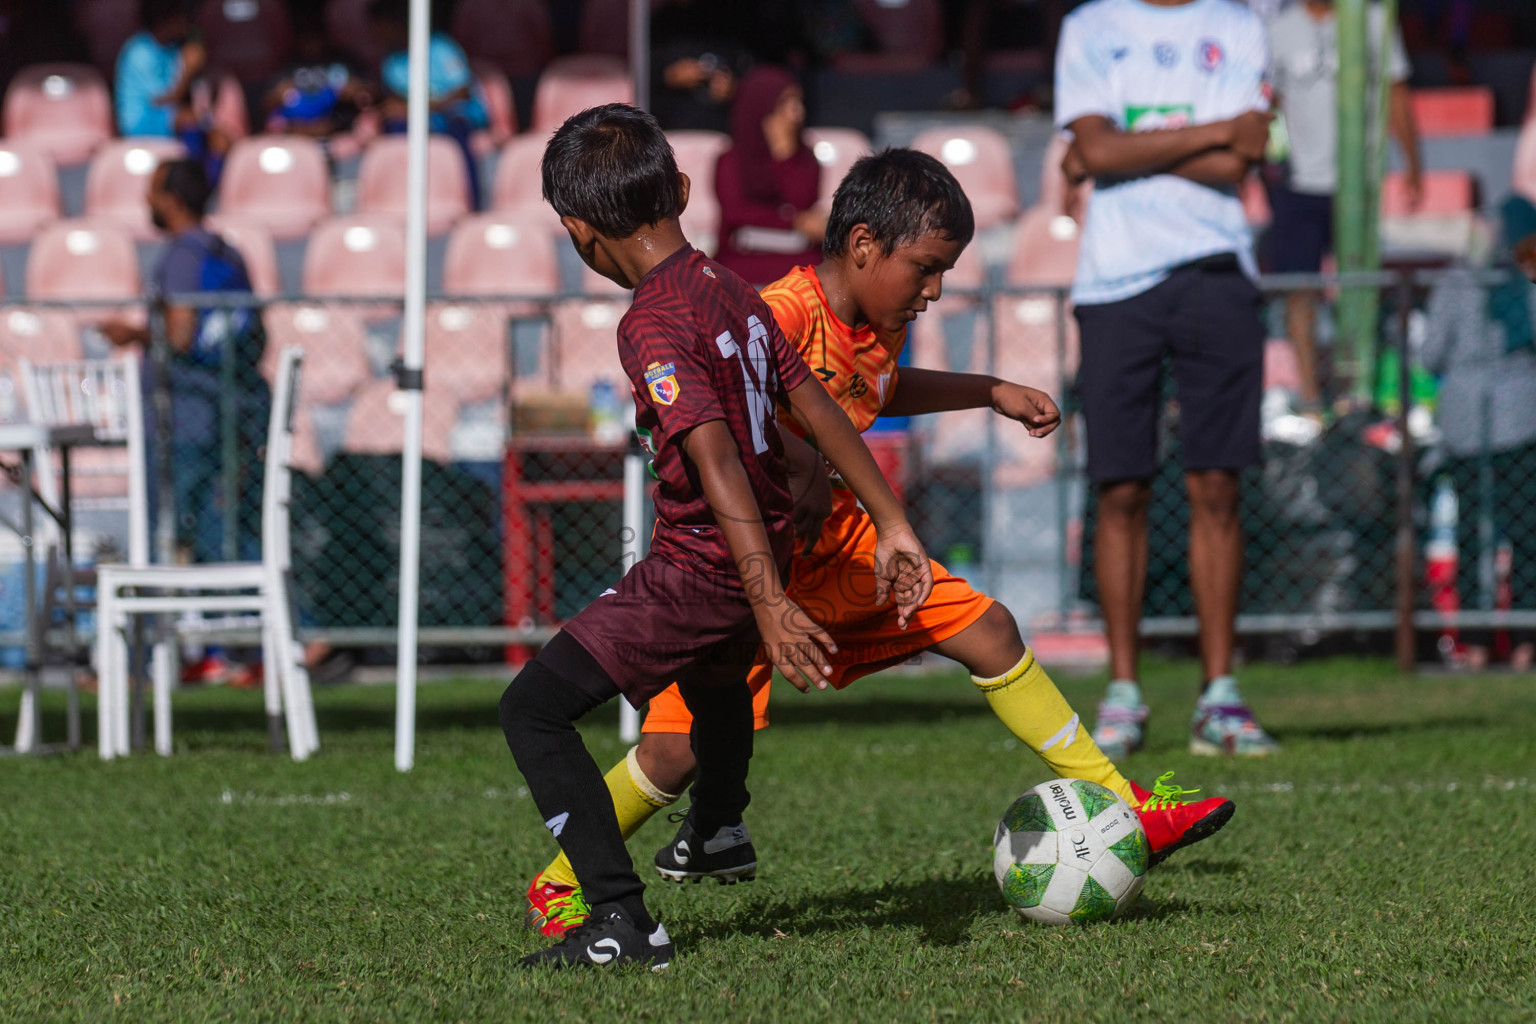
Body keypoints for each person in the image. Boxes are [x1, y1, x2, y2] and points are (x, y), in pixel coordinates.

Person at [523, 148, 1239, 938]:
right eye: (926, 270)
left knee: (990, 630)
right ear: (863, 246)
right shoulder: (783, 309)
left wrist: (988, 393)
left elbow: (878, 390)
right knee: (672, 756)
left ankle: (1128, 811)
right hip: (749, 559)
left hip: (843, 543)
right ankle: (565, 884)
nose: (933, 292)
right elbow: (716, 423)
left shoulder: (867, 323)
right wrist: (790, 470)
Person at [504, 104, 933, 969]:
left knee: (534, 710)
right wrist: (891, 520)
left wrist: (769, 604)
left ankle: (622, 919)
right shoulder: (732, 288)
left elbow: (714, 461)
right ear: (685, 191)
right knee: (713, 680)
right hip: (762, 545)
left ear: (580, 233)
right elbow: (816, 410)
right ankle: (719, 825)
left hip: (705, 563)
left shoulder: (651, 323)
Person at [1054, 0, 1280, 758]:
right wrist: (1213, 128)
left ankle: (1221, 697)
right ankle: (1124, 693)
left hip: (1218, 273)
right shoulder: (1090, 26)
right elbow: (1097, 149)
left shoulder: (1240, 24)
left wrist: (1120, 148)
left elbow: (1235, 163)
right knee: (1120, 487)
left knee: (1217, 486)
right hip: (1114, 282)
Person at [99, 159, 269, 684]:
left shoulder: (181, 255)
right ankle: (261, 645)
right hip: (232, 411)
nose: (146, 202)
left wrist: (131, 336)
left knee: (165, 532)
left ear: (171, 198)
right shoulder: (228, 251)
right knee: (229, 531)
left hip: (187, 418)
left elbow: (179, 336)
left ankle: (148, 660)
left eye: (151, 192)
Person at [1267, 0, 1421, 409]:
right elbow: (1267, 104)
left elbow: (1397, 92)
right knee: (1300, 291)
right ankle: (1312, 400)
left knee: (1361, 288)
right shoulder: (1278, 29)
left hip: (1359, 184)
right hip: (1299, 183)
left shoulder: (1374, 21)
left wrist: (1413, 162)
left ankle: (1357, 394)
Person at [1420, 195, 1536, 671]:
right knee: (1526, 536)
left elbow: (1429, 355)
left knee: (1472, 535)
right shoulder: (1526, 282)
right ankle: (1528, 645)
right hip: (1522, 419)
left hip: (1466, 422)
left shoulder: (1455, 282)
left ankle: (1477, 643)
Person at [367, 0, 487, 209]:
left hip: (455, 116)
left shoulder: (441, 46)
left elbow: (462, 91)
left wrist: (422, 108)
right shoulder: (391, 60)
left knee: (457, 128)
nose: (376, 32)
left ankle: (470, 203)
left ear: (398, 23)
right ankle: (401, 201)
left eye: (380, 25)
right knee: (394, 126)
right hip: (423, 119)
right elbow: (396, 99)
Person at [714, 66, 825, 286]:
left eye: (798, 103)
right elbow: (736, 213)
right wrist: (793, 221)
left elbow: (802, 200)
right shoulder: (730, 161)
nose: (797, 113)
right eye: (784, 104)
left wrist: (784, 155)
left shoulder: (805, 158)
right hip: (744, 264)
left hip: (798, 264)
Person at [115, 0, 227, 180]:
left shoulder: (172, 49)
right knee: (190, 121)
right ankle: (191, 181)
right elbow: (161, 100)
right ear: (163, 21)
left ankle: (202, 186)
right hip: (142, 122)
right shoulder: (139, 51)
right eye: (180, 18)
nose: (185, 24)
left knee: (220, 138)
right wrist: (188, 71)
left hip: (168, 116)